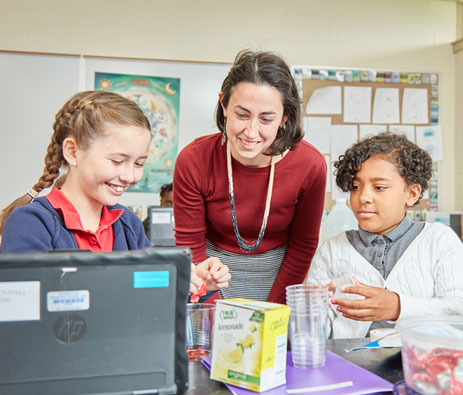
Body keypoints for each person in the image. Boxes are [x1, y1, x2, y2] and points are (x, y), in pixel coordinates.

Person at [0, 90, 230, 297]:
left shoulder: (127, 224)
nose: (130, 176)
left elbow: (149, 300)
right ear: (72, 151)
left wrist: (190, 282)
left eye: (139, 163)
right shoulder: (31, 223)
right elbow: (28, 309)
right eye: (117, 161)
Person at [173, 50, 327, 304]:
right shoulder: (194, 159)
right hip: (212, 273)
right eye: (242, 115)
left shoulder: (310, 165)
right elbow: (190, 245)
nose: (251, 131)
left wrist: (273, 310)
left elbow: (303, 247)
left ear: (285, 117)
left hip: (281, 276)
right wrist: (211, 305)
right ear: (223, 105)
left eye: (266, 118)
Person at [305, 132, 463, 338]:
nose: (363, 197)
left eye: (379, 187)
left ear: (411, 194)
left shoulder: (438, 240)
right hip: (350, 365)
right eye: (355, 187)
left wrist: (399, 307)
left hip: (420, 363)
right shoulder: (332, 250)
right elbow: (314, 332)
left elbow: (457, 309)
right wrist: (313, 310)